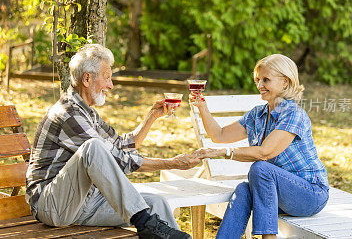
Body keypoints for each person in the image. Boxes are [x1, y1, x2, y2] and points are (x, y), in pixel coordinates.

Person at [26, 44, 200, 239]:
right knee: (93, 147)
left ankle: (150, 225)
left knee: (156, 203)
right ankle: (144, 223)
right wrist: (172, 164)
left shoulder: (88, 113)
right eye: (107, 77)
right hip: (52, 206)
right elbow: (116, 159)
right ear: (87, 78)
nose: (111, 85)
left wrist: (152, 116)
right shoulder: (67, 114)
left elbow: (122, 145)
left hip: (86, 203)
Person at [190, 54, 329, 239]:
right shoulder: (257, 115)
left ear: (285, 82)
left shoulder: (293, 113)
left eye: (266, 80)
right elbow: (219, 135)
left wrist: (224, 153)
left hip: (310, 194)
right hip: (277, 193)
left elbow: (264, 153)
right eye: (257, 80)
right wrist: (202, 107)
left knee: (260, 168)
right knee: (243, 189)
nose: (259, 85)